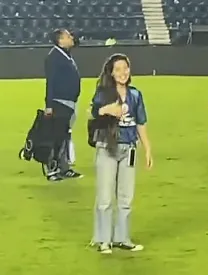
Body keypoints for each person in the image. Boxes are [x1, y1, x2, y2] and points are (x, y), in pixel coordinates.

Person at [89, 53, 153, 254]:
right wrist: (107, 109)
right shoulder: (103, 93)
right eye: (118, 69)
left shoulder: (135, 94)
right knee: (105, 197)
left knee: (126, 197)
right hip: (108, 147)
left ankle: (122, 238)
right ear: (111, 72)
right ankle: (103, 240)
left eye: (126, 68)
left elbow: (140, 123)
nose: (123, 73)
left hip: (129, 149)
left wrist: (148, 148)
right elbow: (92, 112)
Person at [44, 28, 82, 181]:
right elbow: (50, 82)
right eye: (67, 36)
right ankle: (52, 170)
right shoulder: (54, 57)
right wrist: (49, 104)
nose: (71, 38)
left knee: (65, 136)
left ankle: (64, 168)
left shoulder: (64, 55)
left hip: (68, 103)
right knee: (57, 137)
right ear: (60, 40)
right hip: (59, 103)